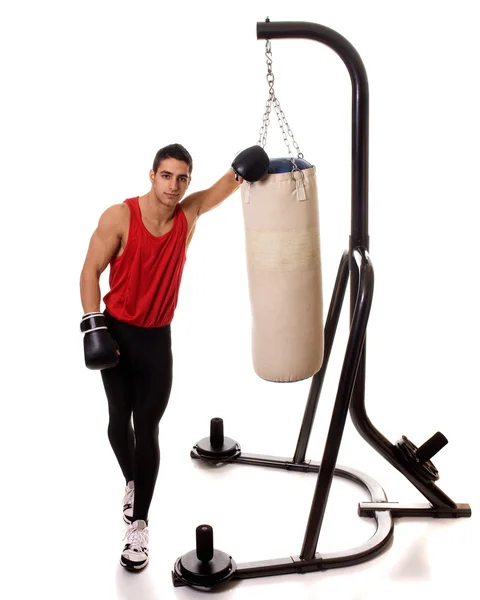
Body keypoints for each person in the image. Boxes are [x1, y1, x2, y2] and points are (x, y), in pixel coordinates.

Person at [79, 143, 269, 572]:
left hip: (156, 341)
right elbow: (89, 270)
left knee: (147, 429)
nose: (174, 185)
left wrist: (247, 164)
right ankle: (133, 481)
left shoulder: (189, 215)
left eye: (182, 178)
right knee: (117, 424)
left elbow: (224, 186)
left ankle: (139, 526)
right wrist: (93, 324)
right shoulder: (120, 217)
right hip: (117, 335)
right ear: (151, 175)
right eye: (167, 175)